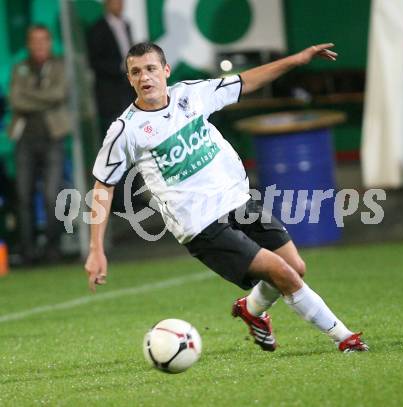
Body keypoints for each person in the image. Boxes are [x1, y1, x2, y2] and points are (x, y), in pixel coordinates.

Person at [85, 42, 368, 353]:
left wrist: (296, 60)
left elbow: (246, 81)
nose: (144, 77)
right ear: (129, 79)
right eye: (136, 72)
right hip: (201, 224)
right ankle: (345, 339)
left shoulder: (190, 95)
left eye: (151, 69)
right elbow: (103, 185)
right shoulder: (126, 129)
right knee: (282, 273)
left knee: (295, 267)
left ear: (165, 71)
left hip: (237, 201)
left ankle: (251, 310)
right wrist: (96, 248)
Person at [8, 25, 70, 263]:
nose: (39, 45)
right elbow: (15, 100)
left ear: (50, 42)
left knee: (51, 195)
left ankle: (53, 248)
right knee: (24, 195)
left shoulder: (60, 65)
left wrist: (29, 96)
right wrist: (42, 98)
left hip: (53, 136)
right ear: (28, 43)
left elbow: (59, 94)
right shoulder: (20, 67)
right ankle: (28, 250)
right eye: (34, 40)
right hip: (24, 138)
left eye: (43, 40)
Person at [87, 0, 135, 137]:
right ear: (106, 4)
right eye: (115, 1)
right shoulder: (97, 29)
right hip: (110, 94)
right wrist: (120, 67)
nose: (119, 4)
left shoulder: (126, 24)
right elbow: (94, 61)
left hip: (129, 89)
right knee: (115, 135)